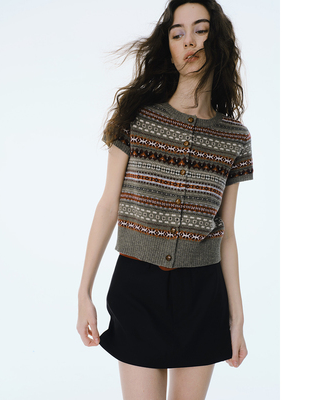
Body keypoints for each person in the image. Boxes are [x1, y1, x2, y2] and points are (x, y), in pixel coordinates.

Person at [77, 0, 254, 398]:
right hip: (137, 287)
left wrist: (237, 317)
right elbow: (108, 205)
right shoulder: (137, 118)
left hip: (203, 294)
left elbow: (226, 231)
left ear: (218, 41)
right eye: (178, 34)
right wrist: (83, 292)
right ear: (169, 48)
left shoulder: (235, 138)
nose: (189, 41)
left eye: (201, 30)